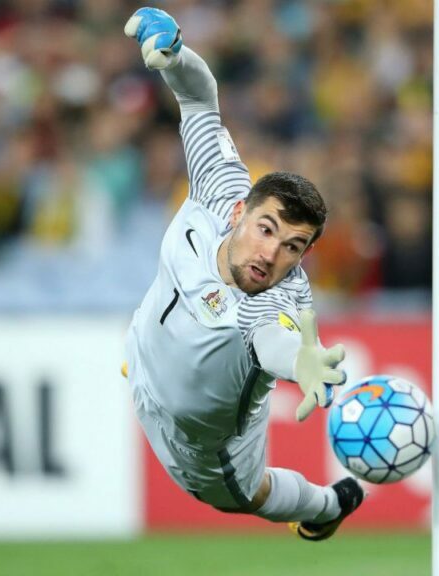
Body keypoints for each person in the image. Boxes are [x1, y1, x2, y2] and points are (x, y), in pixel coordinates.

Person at [120, 7, 365, 541]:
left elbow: (275, 342)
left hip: (203, 447)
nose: (271, 254)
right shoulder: (217, 188)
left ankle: (325, 506)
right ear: (239, 213)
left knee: (247, 498)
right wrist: (176, 55)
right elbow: (198, 99)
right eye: (267, 229)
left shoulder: (278, 300)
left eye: (294, 246)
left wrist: (300, 361)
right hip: (141, 361)